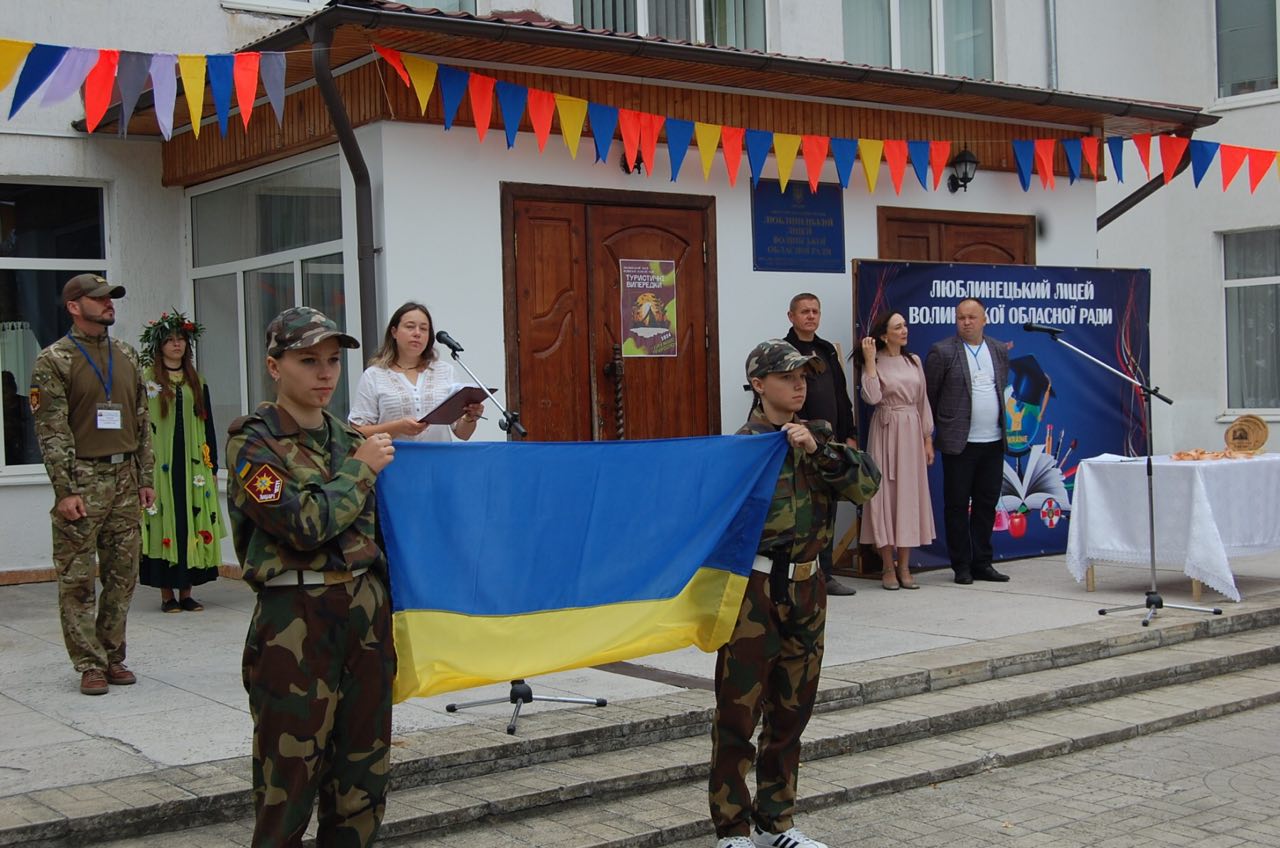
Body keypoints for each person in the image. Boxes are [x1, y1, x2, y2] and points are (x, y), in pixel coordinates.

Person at [226, 306, 397, 846]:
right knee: (288, 783)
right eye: (308, 361)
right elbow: (303, 524)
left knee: (363, 783)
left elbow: (382, 537)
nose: (325, 373)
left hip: (364, 619)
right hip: (294, 624)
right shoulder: (252, 443)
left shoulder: (349, 439)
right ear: (274, 367)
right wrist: (362, 469)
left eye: (332, 361)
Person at [710, 340, 880, 848]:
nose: (799, 383)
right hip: (754, 592)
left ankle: (775, 823)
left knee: (791, 713)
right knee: (739, 713)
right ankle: (733, 829)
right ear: (759, 385)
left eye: (804, 375)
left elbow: (866, 485)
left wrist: (816, 448)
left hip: (807, 590)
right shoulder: (740, 449)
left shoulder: (820, 440)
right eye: (787, 376)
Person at [30, 274, 154, 696]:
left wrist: (145, 477)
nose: (108, 305)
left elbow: (141, 420)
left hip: (124, 478)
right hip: (82, 477)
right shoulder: (55, 360)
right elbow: (52, 431)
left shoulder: (125, 354)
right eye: (98, 299)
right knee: (78, 578)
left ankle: (113, 655)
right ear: (73, 306)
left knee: (123, 576)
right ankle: (89, 664)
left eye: (111, 298)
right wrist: (64, 490)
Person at [137, 311, 225, 612]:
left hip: (192, 465)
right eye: (170, 340)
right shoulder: (148, 380)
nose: (176, 345)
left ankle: (186, 591)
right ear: (159, 345)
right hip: (161, 462)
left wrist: (211, 464)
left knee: (190, 519)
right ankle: (166, 595)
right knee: (163, 518)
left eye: (181, 340)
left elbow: (208, 422)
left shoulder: (195, 380)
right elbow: (139, 423)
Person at [923, 297, 1011, 585]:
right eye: (961, 317)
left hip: (993, 441)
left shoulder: (997, 349)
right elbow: (930, 397)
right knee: (957, 504)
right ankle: (961, 565)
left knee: (987, 503)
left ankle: (982, 562)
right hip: (960, 442)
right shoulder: (942, 351)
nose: (966, 322)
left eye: (972, 317)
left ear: (985, 320)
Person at [783, 293, 859, 596]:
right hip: (799, 443)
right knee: (803, 511)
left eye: (815, 311)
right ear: (791, 316)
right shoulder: (783, 351)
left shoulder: (826, 350)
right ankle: (801, 575)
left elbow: (841, 395)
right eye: (804, 311)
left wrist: (849, 433)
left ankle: (825, 573)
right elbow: (782, 396)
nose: (810, 316)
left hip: (829, 446)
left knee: (827, 509)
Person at [857, 311, 935, 590]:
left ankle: (905, 566)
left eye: (905, 325)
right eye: (898, 326)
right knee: (885, 497)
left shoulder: (913, 361)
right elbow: (872, 397)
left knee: (908, 496)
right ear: (883, 334)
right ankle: (887, 567)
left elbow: (922, 401)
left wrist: (927, 438)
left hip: (911, 431)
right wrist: (868, 361)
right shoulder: (875, 362)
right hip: (886, 430)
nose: (904, 330)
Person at [348, 301, 483, 442]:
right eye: (410, 327)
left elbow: (462, 434)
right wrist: (396, 427)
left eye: (424, 329)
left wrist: (470, 418)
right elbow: (357, 432)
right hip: (393, 460)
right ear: (394, 332)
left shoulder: (445, 371)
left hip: (439, 461)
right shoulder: (374, 375)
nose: (417, 333)